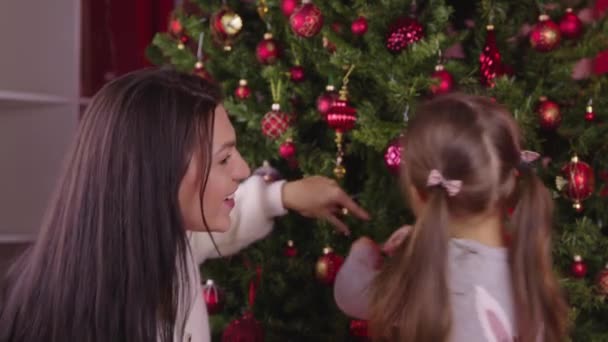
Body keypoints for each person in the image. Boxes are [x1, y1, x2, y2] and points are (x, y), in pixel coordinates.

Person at [0, 67, 369, 342]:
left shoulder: (163, 240)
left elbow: (223, 219)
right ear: (161, 175)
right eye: (224, 159)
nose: (243, 169)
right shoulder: (75, 320)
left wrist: (279, 196)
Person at [333, 93, 569, 342]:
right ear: (507, 180)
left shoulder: (424, 273)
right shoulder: (527, 267)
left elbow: (350, 293)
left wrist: (363, 250)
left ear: (419, 194)